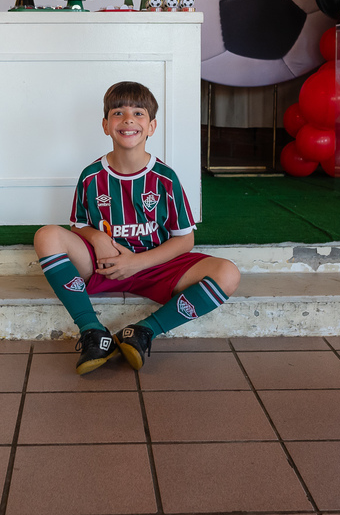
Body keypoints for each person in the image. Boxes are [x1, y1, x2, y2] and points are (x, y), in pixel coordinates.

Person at [33, 81, 240, 374]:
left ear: (152, 126)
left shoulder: (166, 178)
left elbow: (185, 240)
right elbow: (77, 225)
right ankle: (93, 332)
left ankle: (142, 332)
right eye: (118, 112)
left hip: (154, 266)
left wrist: (137, 262)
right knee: (47, 235)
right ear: (106, 125)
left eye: (138, 113)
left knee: (228, 272)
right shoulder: (91, 176)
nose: (128, 119)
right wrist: (97, 238)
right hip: (103, 265)